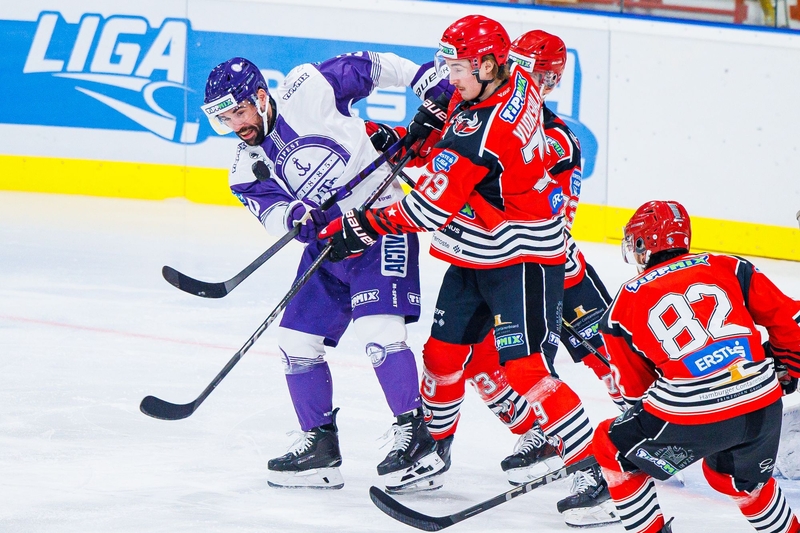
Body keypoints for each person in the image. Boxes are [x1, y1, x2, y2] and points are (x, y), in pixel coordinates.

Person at [321, 13, 603, 519]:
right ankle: (433, 450)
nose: (450, 77)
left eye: (457, 69)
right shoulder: (510, 82)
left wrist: (361, 226)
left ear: (489, 65)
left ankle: (593, 470)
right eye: (448, 67)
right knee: (442, 355)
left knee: (527, 370)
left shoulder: (485, 131)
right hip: (477, 248)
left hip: (522, 257)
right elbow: (458, 122)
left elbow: (427, 209)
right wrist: (431, 118)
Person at [200, 53, 450, 493]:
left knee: (379, 331)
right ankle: (320, 447)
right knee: (295, 342)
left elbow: (378, 65)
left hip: (379, 225)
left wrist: (427, 82)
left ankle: (418, 439)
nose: (235, 125)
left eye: (238, 112)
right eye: (224, 119)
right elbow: (272, 212)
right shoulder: (243, 167)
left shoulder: (308, 86)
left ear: (260, 97)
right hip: (331, 245)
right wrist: (294, 217)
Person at [414, 29, 620, 528]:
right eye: (526, 65)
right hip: (495, 261)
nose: (532, 77)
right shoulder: (491, 107)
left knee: (609, 358)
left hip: (551, 265)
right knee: (491, 365)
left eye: (542, 72)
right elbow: (455, 157)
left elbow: (555, 214)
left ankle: (644, 435)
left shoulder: (555, 136)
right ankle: (543, 436)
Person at [592, 200, 800, 533]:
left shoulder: (622, 304)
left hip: (689, 411)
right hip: (762, 399)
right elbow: (790, 323)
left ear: (642, 244)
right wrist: (789, 368)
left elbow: (637, 396)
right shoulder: (729, 265)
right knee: (732, 479)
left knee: (610, 446)